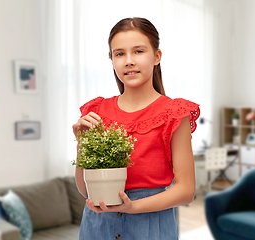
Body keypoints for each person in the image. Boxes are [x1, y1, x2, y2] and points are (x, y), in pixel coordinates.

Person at [72, 17, 200, 240]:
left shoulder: (174, 113)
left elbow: (186, 191)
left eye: (138, 51)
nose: (128, 61)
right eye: (119, 54)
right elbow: (85, 190)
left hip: (149, 225)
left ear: (156, 56)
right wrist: (82, 144)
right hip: (97, 226)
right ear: (112, 60)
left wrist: (132, 207)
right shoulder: (96, 111)